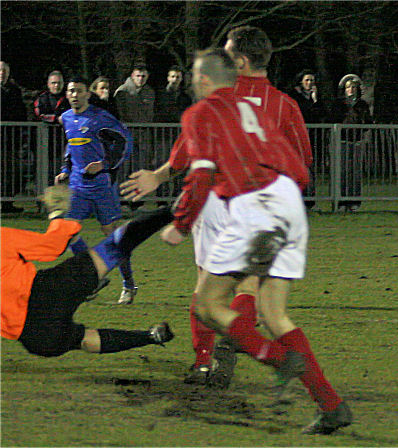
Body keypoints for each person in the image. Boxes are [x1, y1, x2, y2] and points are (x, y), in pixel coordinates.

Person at [159, 48, 351, 435]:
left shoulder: (202, 114)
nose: (193, 80)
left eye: (197, 74)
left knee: (207, 305)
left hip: (252, 210)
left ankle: (275, 358)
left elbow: (198, 177)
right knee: (275, 315)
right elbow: (299, 168)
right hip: (287, 205)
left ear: (207, 80)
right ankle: (331, 406)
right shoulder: (258, 112)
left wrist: (180, 226)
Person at [119, 26, 313, 393]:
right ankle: (234, 342)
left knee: (206, 285)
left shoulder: (221, 98)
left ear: (239, 61)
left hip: (215, 201)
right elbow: (303, 160)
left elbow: (186, 148)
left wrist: (160, 177)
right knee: (250, 287)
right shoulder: (284, 104)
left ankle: (205, 360)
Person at [1, 184, 175, 358]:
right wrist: (56, 212)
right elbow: (52, 247)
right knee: (112, 247)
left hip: (32, 334)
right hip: (48, 291)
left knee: (84, 340)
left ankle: (150, 336)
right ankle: (175, 210)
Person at [54, 77, 137, 305]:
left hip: (101, 186)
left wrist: (104, 164)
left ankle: (129, 284)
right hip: (78, 186)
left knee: (113, 235)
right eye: (71, 91)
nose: (74, 95)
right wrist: (65, 169)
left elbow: (125, 141)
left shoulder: (100, 118)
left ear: (87, 94)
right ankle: (93, 278)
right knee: (67, 231)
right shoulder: (67, 118)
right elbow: (72, 144)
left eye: (79, 91)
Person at [331, 73, 373, 212]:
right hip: (342, 141)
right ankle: (341, 202)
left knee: (355, 173)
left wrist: (362, 129)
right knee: (342, 172)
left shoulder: (362, 104)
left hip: (356, 141)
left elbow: (368, 121)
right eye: (349, 87)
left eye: (354, 87)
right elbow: (334, 119)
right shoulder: (339, 104)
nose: (351, 90)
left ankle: (354, 202)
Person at [288, 69, 327, 209]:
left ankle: (310, 201)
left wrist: (315, 100)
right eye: (307, 80)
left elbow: (321, 114)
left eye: (312, 80)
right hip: (297, 138)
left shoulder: (315, 97)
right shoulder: (294, 96)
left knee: (310, 169)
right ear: (301, 81)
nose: (309, 83)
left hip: (312, 138)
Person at [1, 61, 29, 214]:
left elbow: (21, 113)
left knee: (11, 172)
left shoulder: (14, 91)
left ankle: (7, 203)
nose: (2, 73)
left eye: (4, 70)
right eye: (0, 70)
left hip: (10, 140)